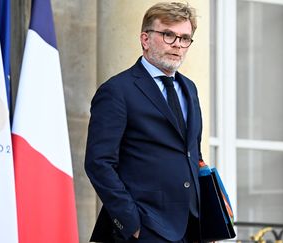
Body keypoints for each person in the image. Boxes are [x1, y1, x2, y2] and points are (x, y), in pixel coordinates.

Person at [85, 2, 203, 242]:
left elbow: (192, 155)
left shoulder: (190, 88)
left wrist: (208, 218)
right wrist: (132, 224)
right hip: (144, 229)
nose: (177, 45)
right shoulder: (117, 90)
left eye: (184, 38)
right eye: (168, 35)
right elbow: (99, 163)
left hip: (190, 228)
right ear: (145, 39)